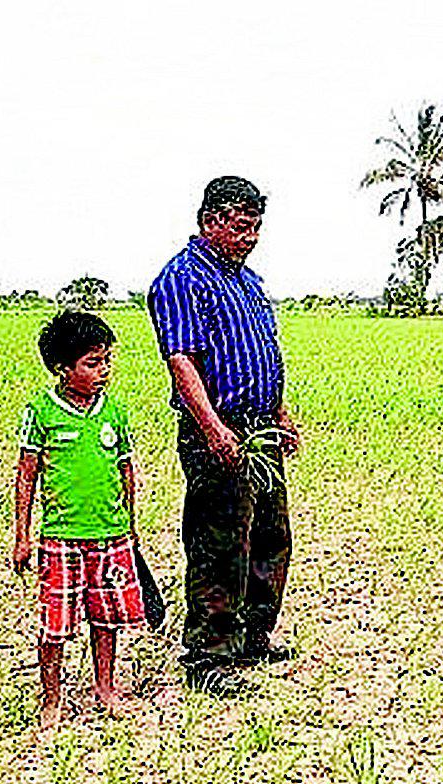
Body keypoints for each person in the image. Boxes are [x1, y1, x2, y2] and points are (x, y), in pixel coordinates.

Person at [147, 175, 299, 697]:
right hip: (219, 428)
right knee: (219, 540)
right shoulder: (181, 279)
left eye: (256, 227)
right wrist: (212, 427)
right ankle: (209, 655)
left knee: (271, 535)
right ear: (211, 220)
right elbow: (181, 361)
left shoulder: (250, 283)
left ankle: (254, 637)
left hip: (262, 429)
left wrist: (281, 413)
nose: (251, 236)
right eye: (241, 226)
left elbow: (265, 355)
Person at [13, 311, 145, 729]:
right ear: (62, 368)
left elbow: (126, 473)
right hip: (61, 538)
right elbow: (26, 476)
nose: (103, 371)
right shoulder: (41, 412)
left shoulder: (115, 414)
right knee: (55, 625)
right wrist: (22, 536)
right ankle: (51, 699)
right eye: (91, 363)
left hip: (111, 536)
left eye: (106, 361)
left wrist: (131, 526)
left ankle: (105, 687)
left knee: (107, 619)